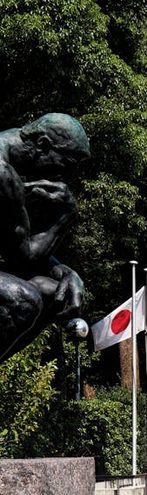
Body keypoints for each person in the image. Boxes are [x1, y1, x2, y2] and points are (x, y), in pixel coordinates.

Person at [0, 113, 90, 362]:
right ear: (42, 145)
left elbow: (14, 245)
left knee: (55, 293)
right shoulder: (3, 174)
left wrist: (64, 271)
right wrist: (65, 215)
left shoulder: (14, 165)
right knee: (22, 300)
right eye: (66, 163)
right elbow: (23, 259)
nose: (65, 175)